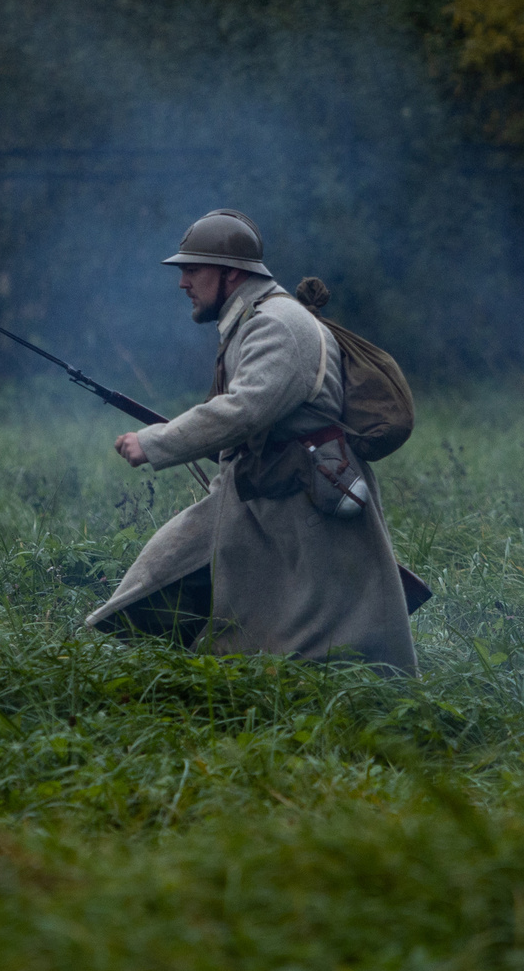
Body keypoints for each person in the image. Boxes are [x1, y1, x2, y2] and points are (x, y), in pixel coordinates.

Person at [86, 210, 419, 673]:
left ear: (230, 273)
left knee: (331, 640)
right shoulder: (255, 319)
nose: (183, 283)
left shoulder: (275, 324)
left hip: (305, 496)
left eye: (192, 270)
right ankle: (168, 669)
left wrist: (157, 442)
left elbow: (244, 409)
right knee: (167, 569)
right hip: (266, 489)